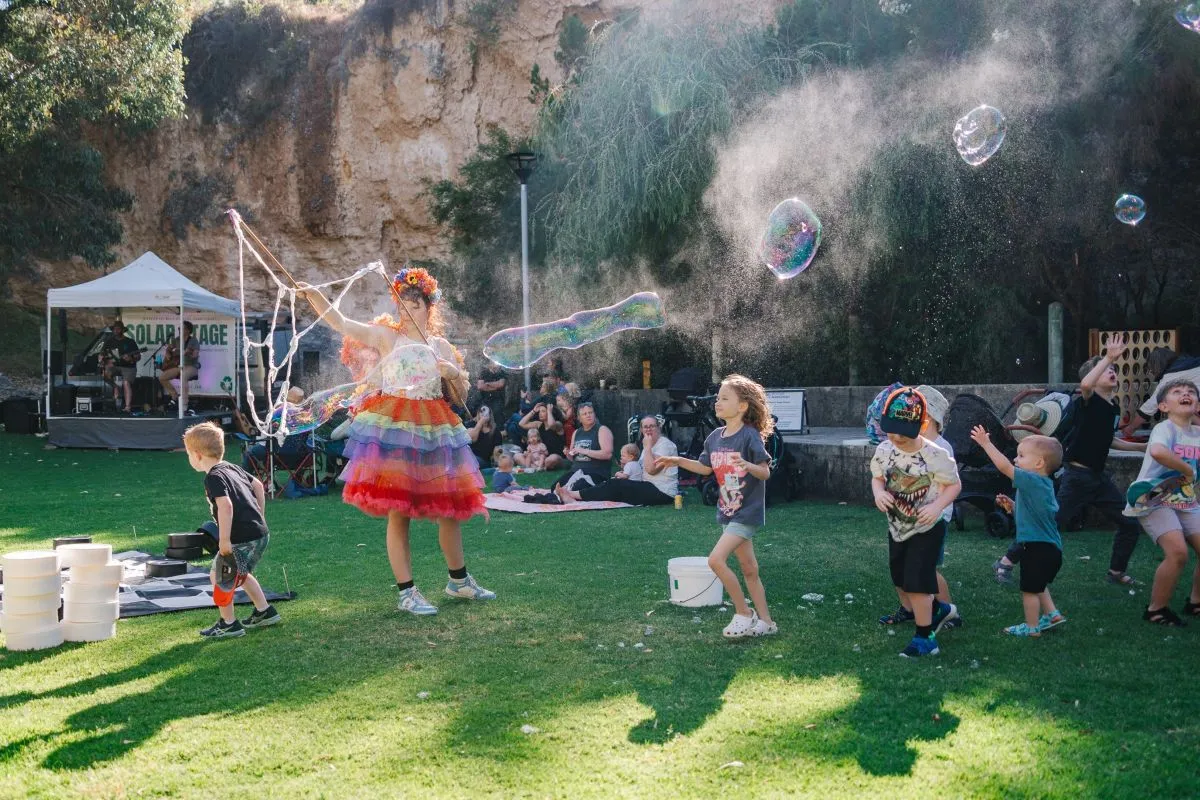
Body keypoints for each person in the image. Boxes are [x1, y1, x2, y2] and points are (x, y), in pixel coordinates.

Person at [297, 266, 494, 616]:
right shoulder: (387, 338)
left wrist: (452, 372)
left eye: (415, 304)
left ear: (429, 308)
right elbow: (343, 324)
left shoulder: (440, 345)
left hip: (435, 427)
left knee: (449, 509)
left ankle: (459, 581)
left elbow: (461, 394)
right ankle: (407, 593)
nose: (406, 310)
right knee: (398, 511)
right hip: (395, 427)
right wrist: (314, 295)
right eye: (402, 303)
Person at [993, 336, 1147, 587]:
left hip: (1097, 478)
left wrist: (1143, 447)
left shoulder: (1112, 408)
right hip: (1077, 477)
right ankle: (1005, 563)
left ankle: (1116, 572)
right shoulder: (1087, 401)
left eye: (1113, 369)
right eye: (1107, 369)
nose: (1112, 371)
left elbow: (1108, 440)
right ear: (1094, 378)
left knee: (1129, 523)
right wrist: (1108, 356)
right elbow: (1085, 385)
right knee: (1047, 523)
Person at [654, 377, 775, 638]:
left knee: (715, 560)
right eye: (718, 398)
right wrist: (676, 460)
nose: (718, 403)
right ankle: (767, 622)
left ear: (742, 406)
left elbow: (765, 472)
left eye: (724, 398)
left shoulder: (749, 436)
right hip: (727, 511)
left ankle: (744, 612)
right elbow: (705, 468)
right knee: (749, 569)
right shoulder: (714, 438)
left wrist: (747, 465)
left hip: (746, 512)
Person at [870, 387, 961, 657]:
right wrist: (879, 493)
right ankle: (939, 610)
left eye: (903, 432)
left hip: (928, 526)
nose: (896, 438)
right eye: (891, 430)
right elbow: (877, 476)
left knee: (918, 581)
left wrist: (936, 507)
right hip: (897, 526)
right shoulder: (885, 449)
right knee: (900, 576)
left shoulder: (936, 455)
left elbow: (954, 486)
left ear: (923, 425)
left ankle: (925, 638)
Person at [183, 421, 281, 639]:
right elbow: (257, 486)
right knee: (241, 572)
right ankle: (265, 611)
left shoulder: (213, 477)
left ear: (197, 455)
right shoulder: (231, 467)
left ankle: (229, 624)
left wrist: (224, 540)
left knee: (219, 576)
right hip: (259, 533)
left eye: (188, 454)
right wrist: (260, 516)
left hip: (240, 537)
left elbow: (225, 506)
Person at [971, 425, 1067, 637]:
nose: (1016, 460)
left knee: (1029, 590)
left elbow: (1004, 467)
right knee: (1038, 583)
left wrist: (986, 443)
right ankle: (1052, 614)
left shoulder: (1032, 480)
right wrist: (1013, 506)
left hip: (1037, 549)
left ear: (1039, 463)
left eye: (1021, 456)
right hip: (1050, 549)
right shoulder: (1042, 485)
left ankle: (1031, 627)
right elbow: (1035, 515)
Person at [1123, 379, 1200, 626]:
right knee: (1178, 553)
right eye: (1177, 392)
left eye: (1191, 393)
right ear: (1164, 406)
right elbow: (1158, 452)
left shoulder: (1198, 434)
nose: (1185, 394)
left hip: (1186, 499)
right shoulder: (1164, 429)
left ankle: (1195, 602)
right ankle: (1156, 610)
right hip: (1152, 498)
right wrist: (1187, 469)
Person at [556, 415, 680, 506]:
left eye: (652, 426)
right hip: (648, 486)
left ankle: (572, 495)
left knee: (615, 485)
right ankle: (576, 497)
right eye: (645, 427)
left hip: (662, 492)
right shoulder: (648, 443)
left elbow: (651, 470)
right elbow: (642, 469)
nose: (648, 429)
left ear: (659, 427)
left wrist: (647, 448)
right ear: (641, 430)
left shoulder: (665, 445)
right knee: (614, 484)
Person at [1122, 346, 1200, 436]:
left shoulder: (1171, 376)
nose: (1151, 372)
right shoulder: (1189, 363)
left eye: (1151, 369)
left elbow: (1149, 407)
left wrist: (1131, 428)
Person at [242, 387, 312, 471]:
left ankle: (247, 480)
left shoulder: (278, 413)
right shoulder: (306, 417)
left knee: (250, 453)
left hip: (276, 455)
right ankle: (298, 477)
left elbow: (267, 433)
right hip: (299, 457)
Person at [556, 401, 613, 488]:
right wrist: (568, 454)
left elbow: (607, 455)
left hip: (596, 473)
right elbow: (573, 457)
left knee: (576, 488)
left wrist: (584, 451)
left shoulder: (602, 430)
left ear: (594, 414)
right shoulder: (576, 432)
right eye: (584, 414)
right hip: (576, 471)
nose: (588, 415)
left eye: (590, 412)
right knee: (556, 487)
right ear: (579, 418)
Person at [159, 320, 200, 413]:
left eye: (182, 328)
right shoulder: (176, 339)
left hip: (191, 366)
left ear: (188, 330)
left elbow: (195, 355)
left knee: (184, 376)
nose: (180, 330)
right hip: (178, 366)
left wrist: (188, 353)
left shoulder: (193, 341)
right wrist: (168, 354)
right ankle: (174, 396)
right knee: (162, 377)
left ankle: (184, 404)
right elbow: (168, 349)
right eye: (179, 328)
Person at [102, 321, 141, 411]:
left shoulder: (130, 342)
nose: (116, 331)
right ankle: (116, 387)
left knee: (126, 383)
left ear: (122, 330)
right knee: (104, 374)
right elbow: (103, 353)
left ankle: (127, 407)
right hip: (115, 366)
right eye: (115, 329)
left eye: (118, 329)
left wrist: (131, 359)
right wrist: (104, 359)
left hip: (128, 367)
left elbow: (138, 357)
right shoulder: (109, 341)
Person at [519, 401, 567, 469]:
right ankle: (537, 466)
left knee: (552, 459)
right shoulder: (539, 424)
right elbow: (521, 424)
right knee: (517, 456)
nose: (540, 414)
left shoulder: (558, 424)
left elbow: (551, 425)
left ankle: (535, 466)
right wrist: (533, 411)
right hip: (541, 458)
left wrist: (549, 411)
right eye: (539, 412)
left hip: (556, 457)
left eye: (543, 411)